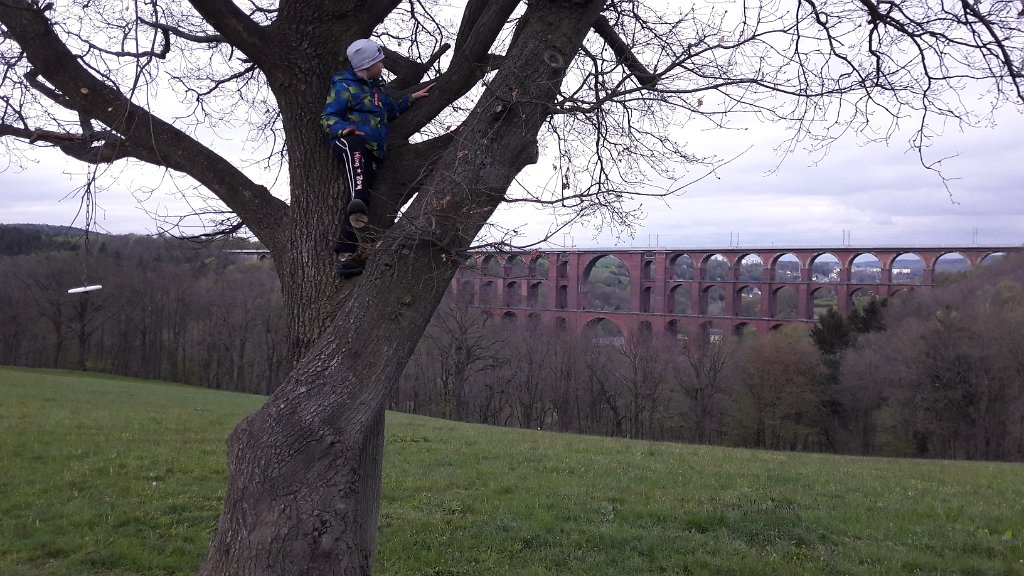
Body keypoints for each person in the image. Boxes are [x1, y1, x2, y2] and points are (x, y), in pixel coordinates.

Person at [321, 38, 434, 276]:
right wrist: (344, 129)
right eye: (379, 61)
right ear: (367, 64)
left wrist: (412, 98)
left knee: (360, 202)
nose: (383, 65)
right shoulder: (344, 86)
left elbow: (391, 110)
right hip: (349, 141)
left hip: (371, 150)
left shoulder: (376, 91)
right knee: (358, 171)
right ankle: (358, 201)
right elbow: (328, 117)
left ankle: (346, 255)